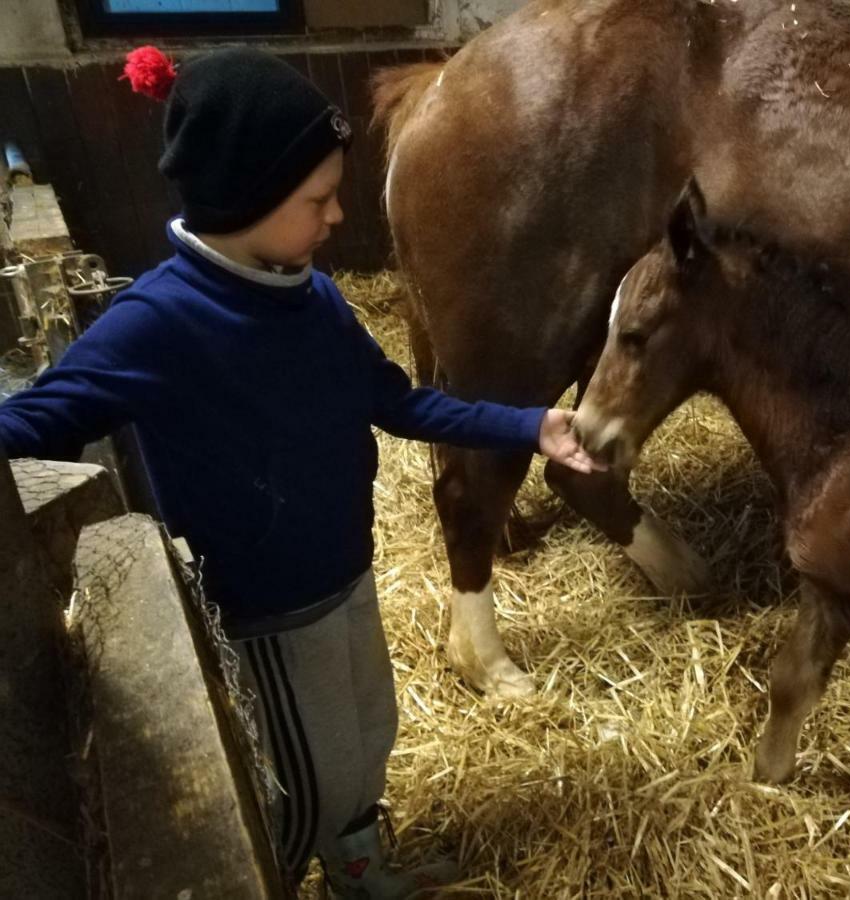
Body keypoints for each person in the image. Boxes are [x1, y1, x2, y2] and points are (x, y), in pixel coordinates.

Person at [0, 46, 603, 898]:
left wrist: (527, 424)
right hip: (267, 614)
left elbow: (397, 401)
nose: (336, 216)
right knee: (304, 781)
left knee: (369, 737)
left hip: (348, 575)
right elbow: (33, 418)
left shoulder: (310, 295)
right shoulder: (156, 324)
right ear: (246, 198)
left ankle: (361, 874)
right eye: (317, 199)